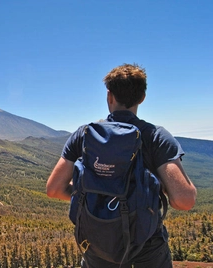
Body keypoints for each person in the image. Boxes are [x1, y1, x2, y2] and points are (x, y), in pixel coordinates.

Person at [46, 63, 197, 268]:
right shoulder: (156, 137)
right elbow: (184, 201)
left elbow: (54, 189)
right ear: (142, 98)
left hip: (97, 246)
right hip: (147, 248)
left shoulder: (84, 135)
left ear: (109, 96)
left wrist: (88, 193)